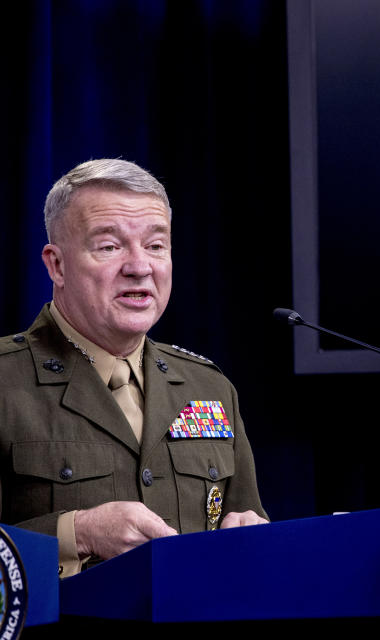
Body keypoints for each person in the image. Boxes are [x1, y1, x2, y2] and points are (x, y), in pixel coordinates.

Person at [0, 159, 268, 577]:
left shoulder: (208, 386)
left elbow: (245, 527)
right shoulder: (4, 381)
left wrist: (255, 538)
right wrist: (78, 533)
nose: (140, 266)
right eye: (110, 246)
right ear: (57, 265)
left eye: (156, 246)